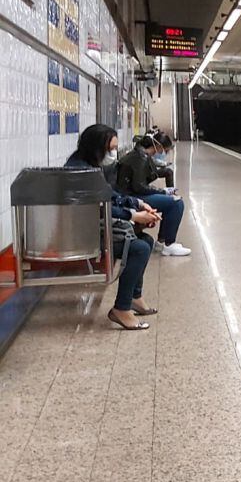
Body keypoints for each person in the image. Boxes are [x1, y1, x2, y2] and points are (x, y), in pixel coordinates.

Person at [67, 124, 161, 330]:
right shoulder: (80, 172)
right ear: (95, 147)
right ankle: (121, 308)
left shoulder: (88, 164)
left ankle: (134, 297)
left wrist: (136, 204)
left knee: (146, 240)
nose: (113, 153)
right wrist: (134, 215)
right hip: (82, 235)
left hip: (90, 228)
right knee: (140, 248)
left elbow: (108, 194)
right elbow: (99, 208)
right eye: (110, 148)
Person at [116, 135, 191, 256]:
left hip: (130, 194)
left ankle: (162, 242)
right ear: (158, 146)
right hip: (132, 197)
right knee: (176, 203)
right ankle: (169, 244)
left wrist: (164, 191)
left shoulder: (140, 154)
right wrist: (163, 192)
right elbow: (139, 187)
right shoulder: (140, 158)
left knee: (171, 201)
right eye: (165, 150)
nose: (164, 153)